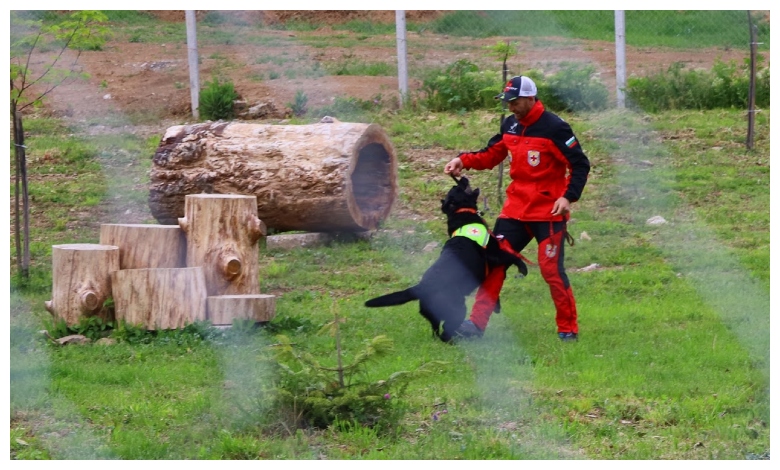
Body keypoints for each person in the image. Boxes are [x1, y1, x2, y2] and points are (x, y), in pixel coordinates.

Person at [443, 75, 590, 342]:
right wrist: (461, 160)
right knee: (495, 264)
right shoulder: (510, 125)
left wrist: (568, 197)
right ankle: (475, 326)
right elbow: (491, 154)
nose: (510, 107)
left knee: (551, 270)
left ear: (530, 99)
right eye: (507, 102)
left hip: (549, 212)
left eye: (515, 102)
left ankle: (568, 329)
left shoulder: (556, 128)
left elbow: (580, 165)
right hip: (515, 210)